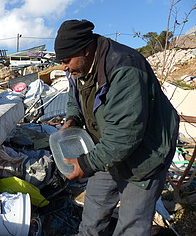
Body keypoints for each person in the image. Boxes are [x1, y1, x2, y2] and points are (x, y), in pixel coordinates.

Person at [54, 19, 179, 236]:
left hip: (146, 154)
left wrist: (85, 163)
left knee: (132, 224)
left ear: (85, 50)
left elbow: (125, 135)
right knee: (93, 212)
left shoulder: (124, 67)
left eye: (66, 61)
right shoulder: (77, 69)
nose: (64, 67)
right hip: (108, 149)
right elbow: (75, 96)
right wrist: (73, 118)